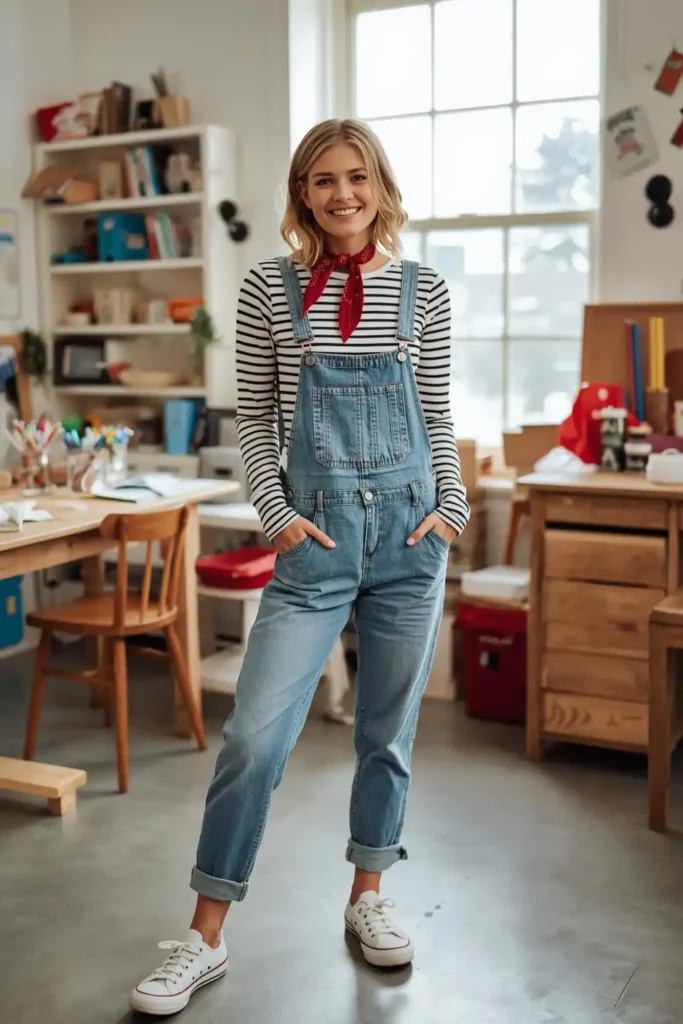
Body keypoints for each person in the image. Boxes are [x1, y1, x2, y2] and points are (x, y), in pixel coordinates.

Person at [130, 118, 470, 1016]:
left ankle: (369, 898)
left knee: (384, 736)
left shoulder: (424, 291)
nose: (342, 193)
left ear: (380, 185)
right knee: (252, 738)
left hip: (407, 540)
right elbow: (252, 419)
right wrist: (276, 516)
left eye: (356, 176)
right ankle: (203, 937)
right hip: (311, 545)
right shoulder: (267, 290)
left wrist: (451, 510)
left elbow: (436, 417)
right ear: (302, 193)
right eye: (323, 179)